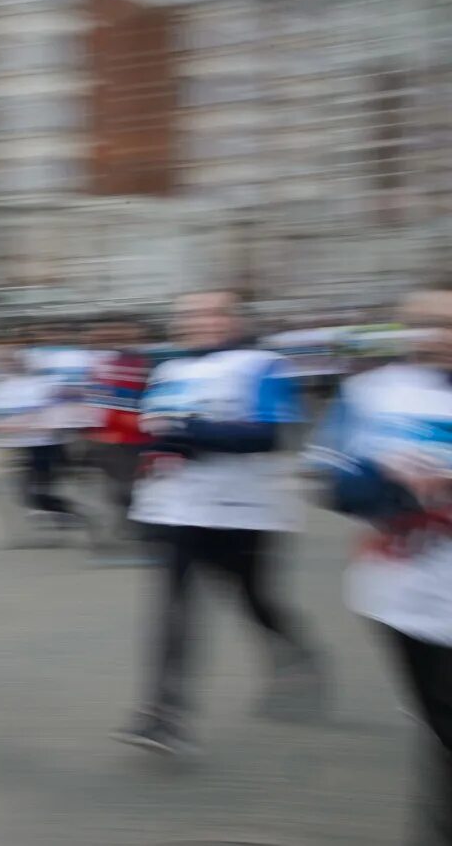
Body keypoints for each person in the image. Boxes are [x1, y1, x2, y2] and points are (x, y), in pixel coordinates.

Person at [113, 290, 326, 755]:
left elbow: (266, 434)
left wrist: (189, 432)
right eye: (189, 314)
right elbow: (153, 430)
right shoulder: (168, 370)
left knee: (254, 600)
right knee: (174, 608)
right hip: (177, 507)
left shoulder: (261, 364)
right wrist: (149, 458)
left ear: (232, 318)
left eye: (211, 314)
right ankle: (163, 715)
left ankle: (296, 651)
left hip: (244, 511)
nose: (199, 322)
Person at [306, 291, 452, 843]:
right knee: (438, 719)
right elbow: (334, 482)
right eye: (424, 324)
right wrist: (391, 483)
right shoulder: (370, 392)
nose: (436, 335)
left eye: (448, 325)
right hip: (401, 593)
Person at [0, 347, 77, 546]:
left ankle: (72, 514)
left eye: (11, 359)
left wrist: (23, 423)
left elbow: (56, 411)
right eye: (2, 361)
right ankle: (63, 515)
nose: (6, 364)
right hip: (17, 446)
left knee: (38, 491)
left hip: (47, 446)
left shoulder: (46, 383)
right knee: (27, 492)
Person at [85, 318, 155, 562]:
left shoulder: (149, 363)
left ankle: (145, 529)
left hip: (140, 436)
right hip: (108, 438)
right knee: (115, 488)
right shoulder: (103, 363)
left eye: (124, 330)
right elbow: (96, 397)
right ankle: (134, 524)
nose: (116, 336)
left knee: (133, 487)